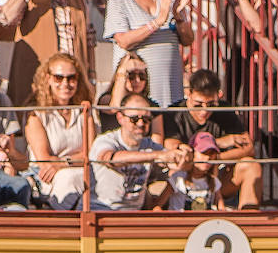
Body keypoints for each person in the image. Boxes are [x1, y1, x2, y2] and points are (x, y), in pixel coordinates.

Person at [2, 0, 97, 107]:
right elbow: (6, 17)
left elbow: (89, 37)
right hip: (38, 76)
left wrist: (91, 75)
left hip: (71, 80)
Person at [104, 0, 194, 107]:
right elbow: (123, 41)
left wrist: (179, 17)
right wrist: (157, 22)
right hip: (139, 91)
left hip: (171, 88)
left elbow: (188, 40)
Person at [163, 69, 262, 209]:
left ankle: (248, 219)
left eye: (211, 105)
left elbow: (249, 148)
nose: (204, 111)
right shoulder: (174, 113)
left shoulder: (224, 110)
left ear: (218, 96)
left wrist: (213, 158)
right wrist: (219, 143)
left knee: (251, 166)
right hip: (184, 179)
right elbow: (172, 147)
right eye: (198, 105)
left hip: (215, 179)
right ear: (188, 93)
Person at [90, 94, 184, 210]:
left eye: (146, 119)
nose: (140, 124)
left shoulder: (149, 145)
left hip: (134, 212)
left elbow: (172, 161)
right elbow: (110, 159)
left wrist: (183, 155)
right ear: (120, 118)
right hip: (101, 209)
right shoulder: (106, 140)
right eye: (134, 119)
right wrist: (157, 155)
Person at [24, 52, 92, 210]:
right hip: (46, 177)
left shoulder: (85, 110)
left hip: (78, 171)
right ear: (48, 79)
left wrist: (62, 163)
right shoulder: (36, 114)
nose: (65, 83)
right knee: (70, 178)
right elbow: (44, 161)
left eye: (71, 78)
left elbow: (91, 153)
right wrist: (75, 160)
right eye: (58, 78)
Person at [96, 53, 164, 141]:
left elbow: (157, 138)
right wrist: (122, 72)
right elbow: (116, 107)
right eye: (131, 76)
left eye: (142, 76)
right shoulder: (106, 99)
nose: (137, 80)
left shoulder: (153, 106)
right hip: (113, 146)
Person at [168, 132, 224, 210]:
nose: (208, 157)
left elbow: (221, 209)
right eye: (203, 152)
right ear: (192, 154)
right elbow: (157, 206)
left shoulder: (214, 181)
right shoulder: (177, 178)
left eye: (211, 153)